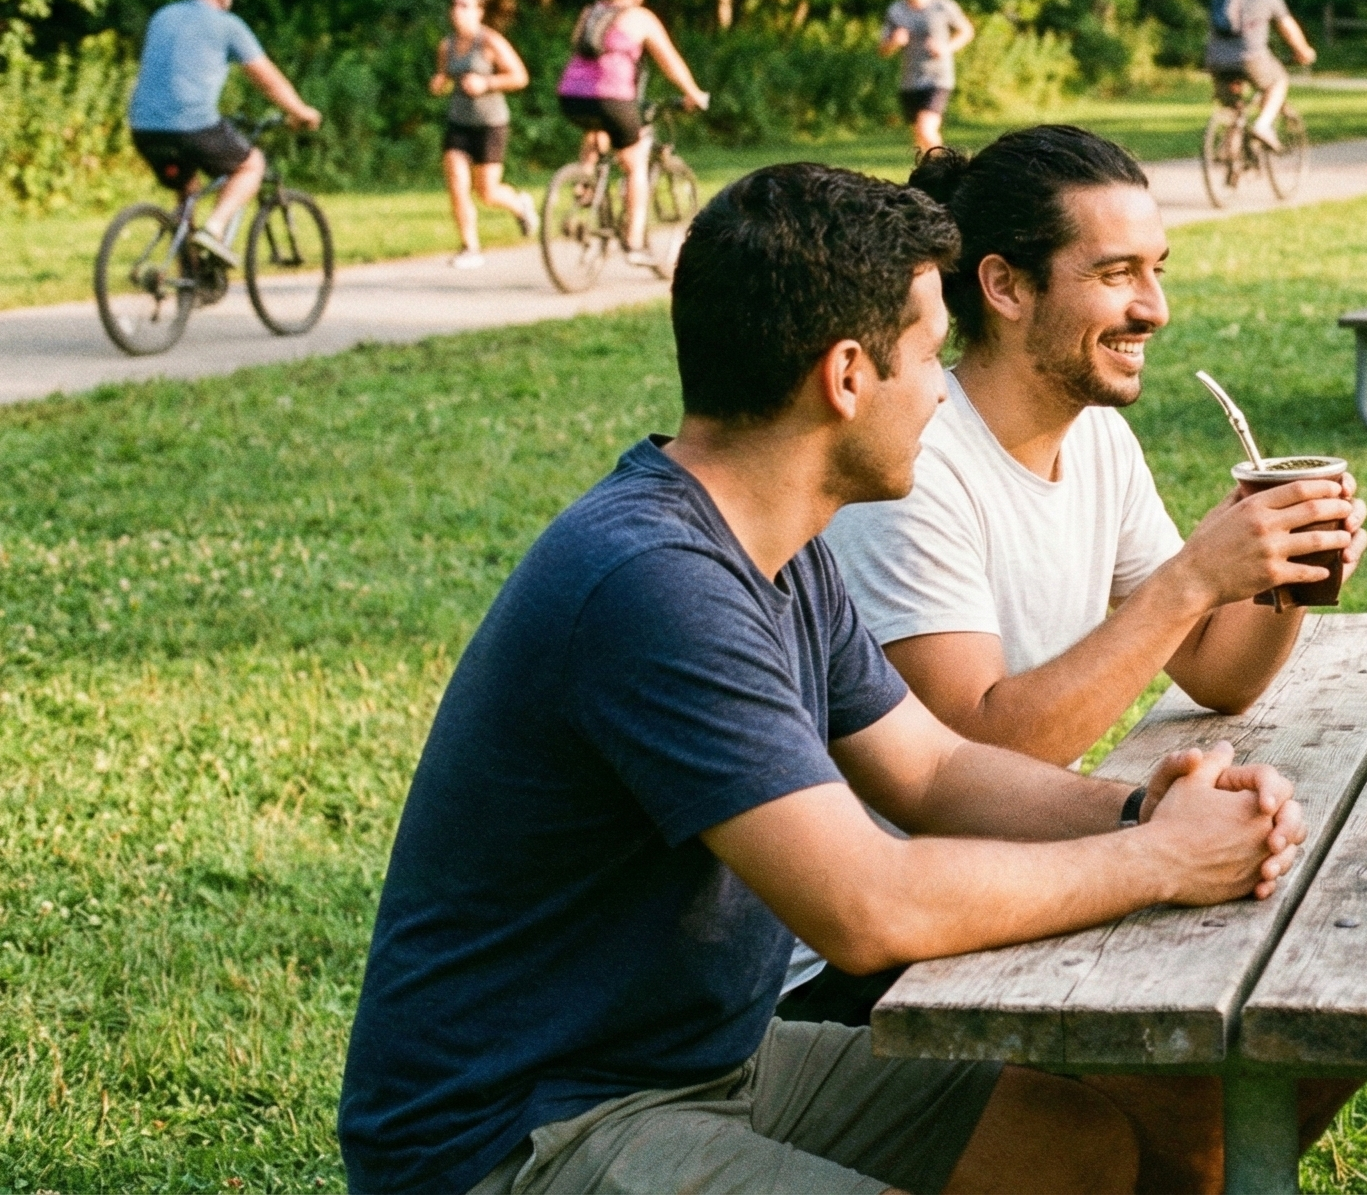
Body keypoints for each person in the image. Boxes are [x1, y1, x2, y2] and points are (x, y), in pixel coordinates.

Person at [340, 162, 1312, 1195]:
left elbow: (930, 770)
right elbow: (866, 905)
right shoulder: (654, 583)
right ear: (847, 375)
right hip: (518, 1131)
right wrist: (1158, 861)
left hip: (706, 1066)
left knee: (1071, 1138)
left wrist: (1131, 807)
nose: (943, 393)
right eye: (932, 358)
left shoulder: (777, 544)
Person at [809, 127, 1364, 1187]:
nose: (1151, 307)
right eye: (1116, 275)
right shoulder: (915, 468)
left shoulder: (1093, 435)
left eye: (1155, 270)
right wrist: (1195, 577)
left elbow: (1216, 671)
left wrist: (1283, 577)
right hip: (888, 945)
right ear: (1004, 286)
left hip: (1024, 868)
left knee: (1330, 1006)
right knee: (1238, 1071)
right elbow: (968, 750)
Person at [124, 0, 324, 265]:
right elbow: (268, 79)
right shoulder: (228, 25)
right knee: (250, 165)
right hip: (192, 125)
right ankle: (214, 229)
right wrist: (301, 112)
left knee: (188, 191)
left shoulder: (162, 17)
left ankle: (189, 274)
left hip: (144, 127)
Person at [555, 0, 711, 270]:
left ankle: (584, 186)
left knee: (596, 130)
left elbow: (578, 48)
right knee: (635, 162)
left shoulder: (590, 13)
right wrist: (693, 93)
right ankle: (635, 242)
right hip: (613, 97)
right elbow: (670, 62)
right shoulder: (640, 17)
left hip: (570, 96)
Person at [428, 0, 537, 269]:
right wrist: (440, 83)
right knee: (456, 183)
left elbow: (520, 76)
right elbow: (444, 76)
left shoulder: (490, 42)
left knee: (487, 192)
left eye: (465, 6)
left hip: (491, 123)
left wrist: (486, 83)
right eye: (454, 5)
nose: (457, 11)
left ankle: (520, 205)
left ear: (479, 12)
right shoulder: (447, 45)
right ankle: (470, 247)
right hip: (459, 122)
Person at [1203, 0, 1316, 152]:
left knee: (1234, 108)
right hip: (1251, 58)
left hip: (1216, 60)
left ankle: (1230, 150)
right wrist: (1304, 51)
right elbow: (1288, 28)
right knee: (1278, 80)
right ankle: (1263, 126)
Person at [881, 0, 975, 152]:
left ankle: (948, 169)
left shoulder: (942, 6)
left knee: (926, 129)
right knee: (919, 138)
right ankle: (930, 176)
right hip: (910, 81)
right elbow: (883, 50)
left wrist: (946, 48)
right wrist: (894, 42)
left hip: (938, 78)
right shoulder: (896, 10)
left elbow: (967, 31)